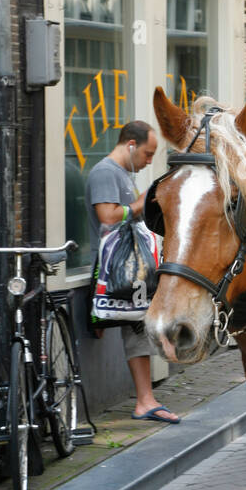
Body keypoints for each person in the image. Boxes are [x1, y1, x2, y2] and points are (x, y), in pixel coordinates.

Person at [85, 121, 180, 424]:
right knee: (137, 322)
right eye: (148, 154)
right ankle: (145, 399)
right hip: (112, 272)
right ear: (130, 145)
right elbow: (108, 216)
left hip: (125, 268)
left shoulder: (122, 174)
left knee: (138, 323)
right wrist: (141, 203)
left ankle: (145, 399)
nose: (149, 161)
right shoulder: (105, 173)